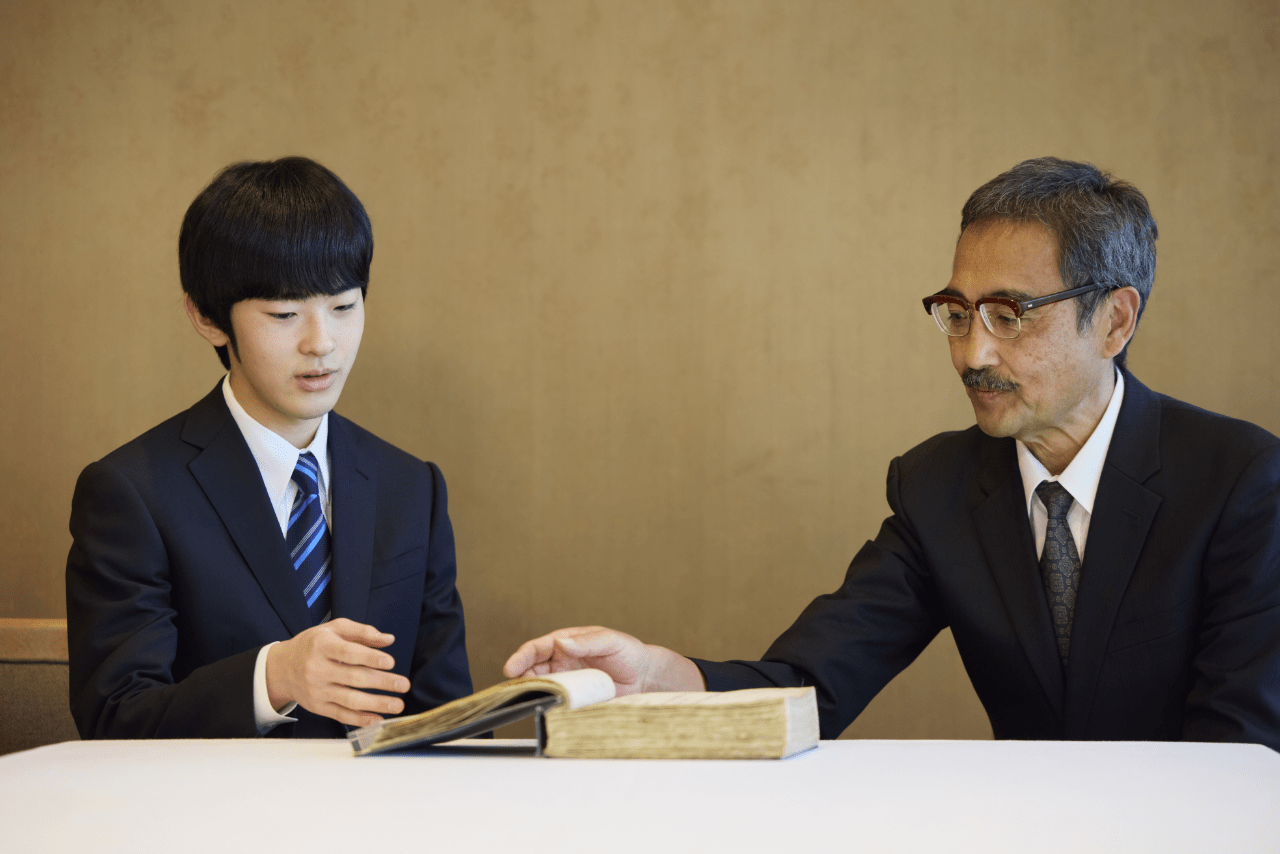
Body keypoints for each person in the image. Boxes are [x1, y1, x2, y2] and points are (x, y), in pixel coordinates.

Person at [505, 157, 1280, 749]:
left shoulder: (1239, 480)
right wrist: (655, 676)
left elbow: (1241, 745)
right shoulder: (937, 487)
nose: (972, 353)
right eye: (957, 313)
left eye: (1010, 315)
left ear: (1115, 321)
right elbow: (810, 685)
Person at [66, 157, 473, 739]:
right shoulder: (132, 492)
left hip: (381, 798)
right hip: (210, 799)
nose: (322, 343)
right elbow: (115, 718)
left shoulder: (411, 486)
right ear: (207, 317)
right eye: (284, 314)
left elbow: (447, 721)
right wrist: (274, 677)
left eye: (344, 306)